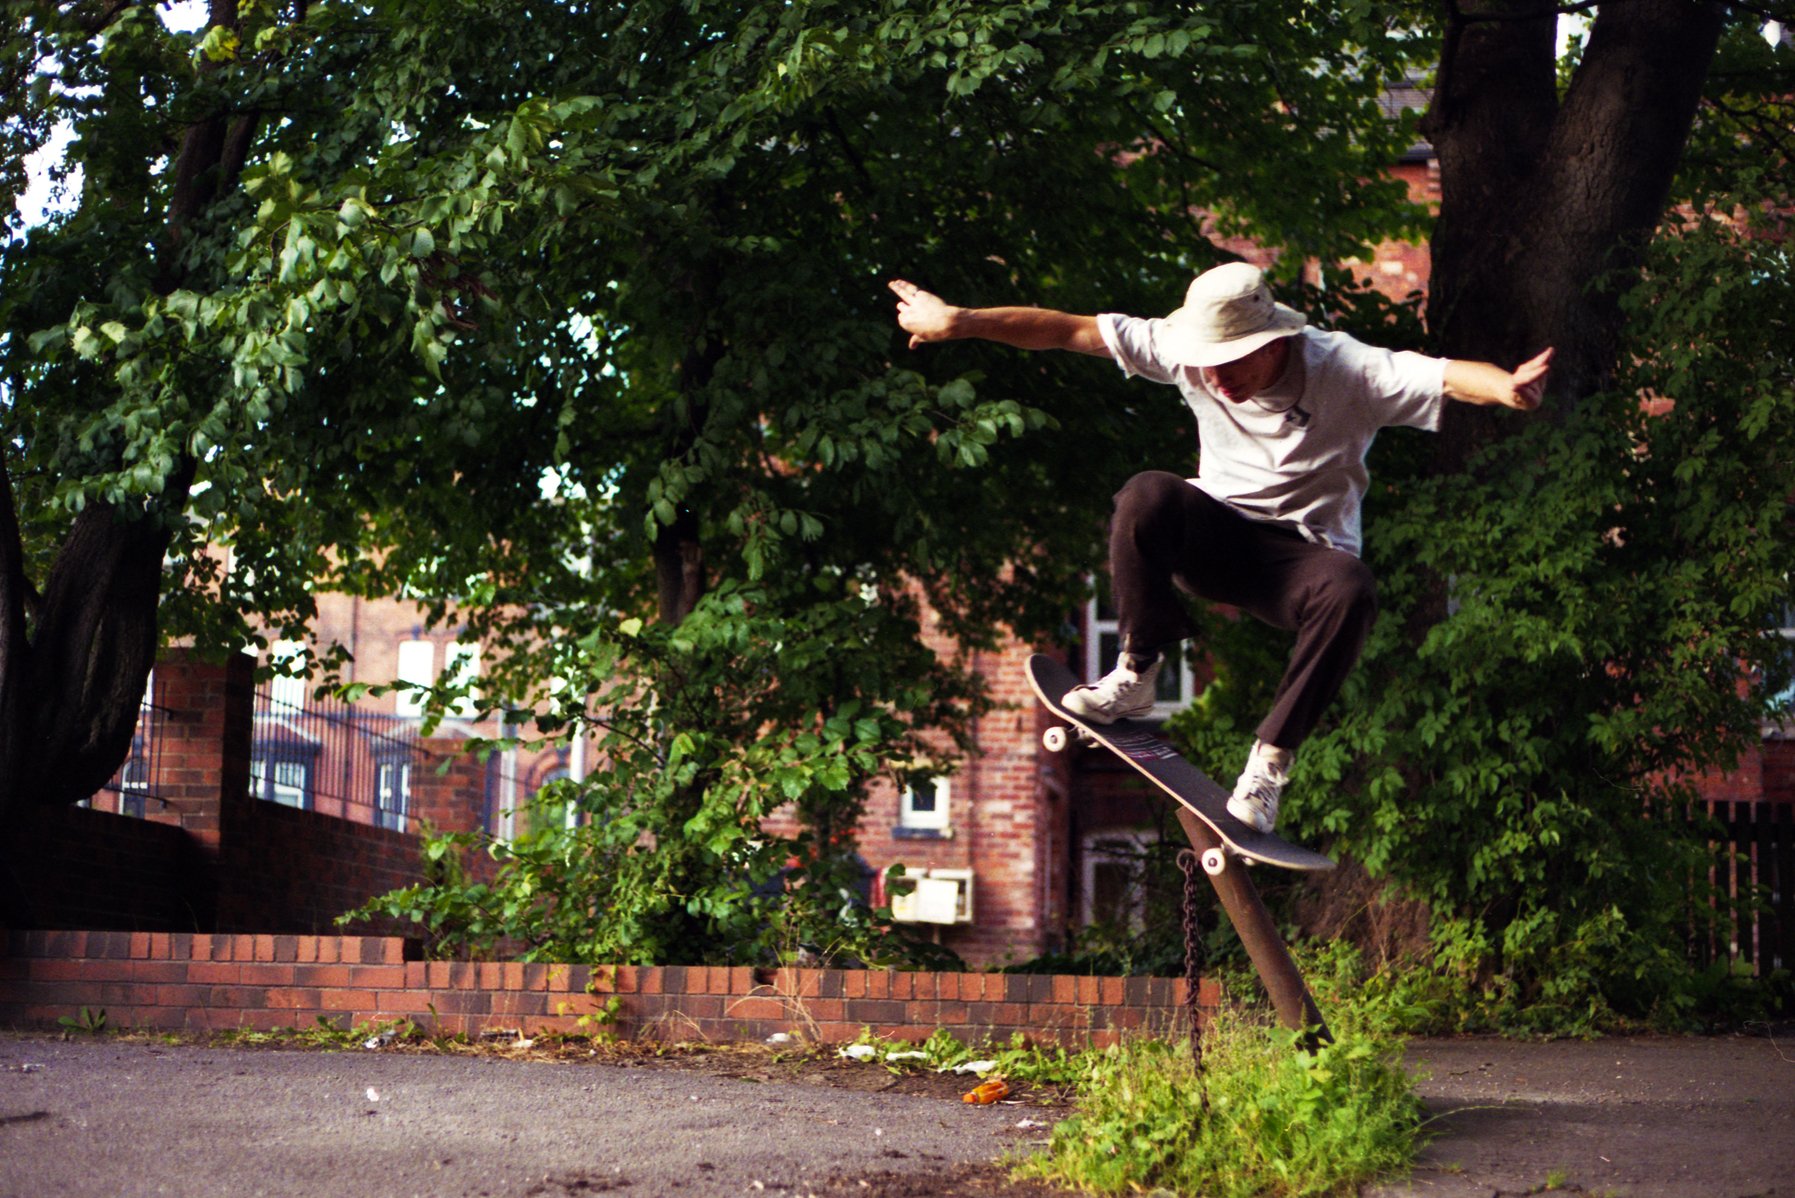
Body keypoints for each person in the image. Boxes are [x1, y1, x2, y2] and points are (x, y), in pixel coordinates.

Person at [889, 263, 1551, 834]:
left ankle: (1267, 768)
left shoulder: (1347, 369)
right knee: (1147, 494)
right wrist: (962, 321)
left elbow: (1443, 376)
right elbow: (1069, 329)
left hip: (1300, 563)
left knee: (1351, 586)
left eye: (1231, 364)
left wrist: (1504, 388)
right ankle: (1136, 674)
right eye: (1205, 366)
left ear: (1276, 341)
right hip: (1216, 538)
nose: (1215, 378)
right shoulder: (1182, 350)